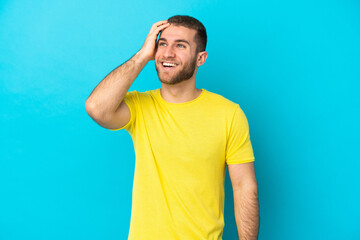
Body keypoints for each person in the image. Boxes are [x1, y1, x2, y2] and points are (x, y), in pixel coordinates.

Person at [85, 15, 259, 240]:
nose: (168, 53)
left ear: (200, 58)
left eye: (180, 45)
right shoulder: (140, 106)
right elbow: (96, 108)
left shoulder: (229, 114)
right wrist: (142, 56)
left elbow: (245, 187)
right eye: (163, 44)